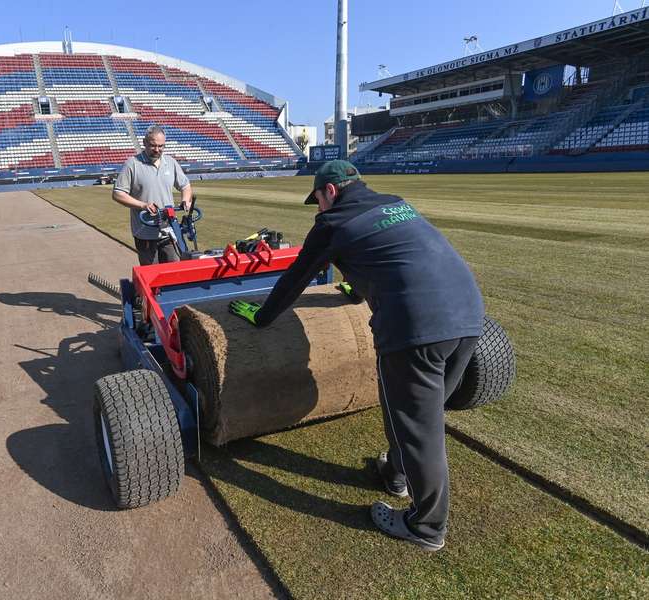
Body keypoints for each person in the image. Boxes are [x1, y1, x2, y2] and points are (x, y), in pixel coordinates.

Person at [228, 160, 484, 552]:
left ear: (329, 191)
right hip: (468, 314)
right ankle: (396, 474)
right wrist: (358, 290)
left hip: (416, 327)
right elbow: (392, 258)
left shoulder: (331, 225)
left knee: (419, 429)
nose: (317, 209)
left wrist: (260, 317)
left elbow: (296, 279)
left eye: (316, 200)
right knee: (415, 416)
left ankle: (426, 527)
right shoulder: (396, 203)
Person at [112, 126, 192, 265]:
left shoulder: (170, 162)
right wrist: (143, 205)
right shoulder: (133, 164)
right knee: (152, 274)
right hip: (145, 233)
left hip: (169, 231)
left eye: (161, 146)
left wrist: (186, 200)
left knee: (175, 270)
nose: (157, 150)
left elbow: (185, 186)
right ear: (144, 142)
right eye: (153, 145)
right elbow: (118, 193)